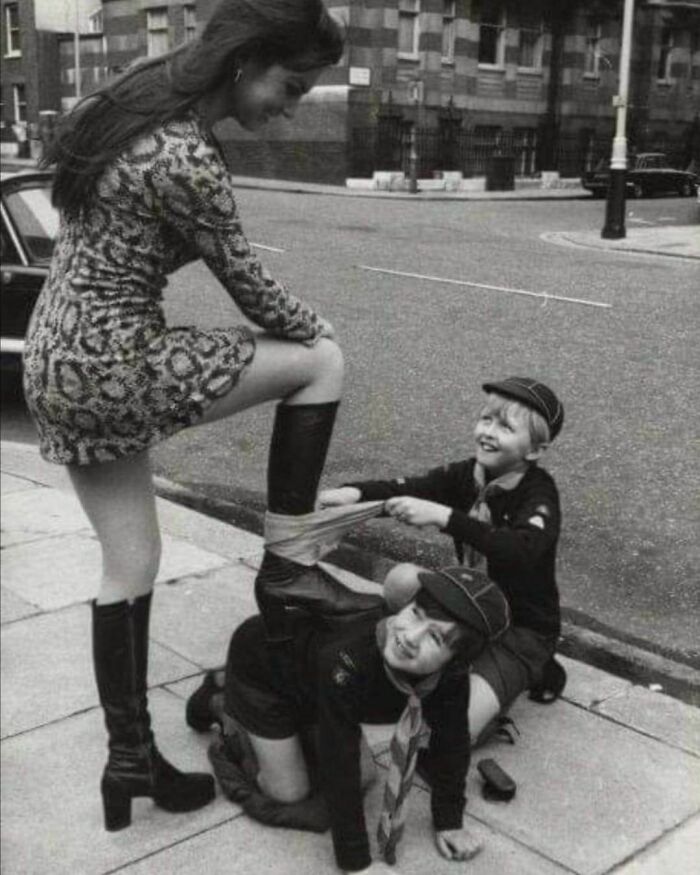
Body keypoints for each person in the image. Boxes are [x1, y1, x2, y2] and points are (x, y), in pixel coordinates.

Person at [22, 0, 378, 833]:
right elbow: (251, 288)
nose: (290, 107)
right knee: (322, 360)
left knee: (131, 560)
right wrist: (316, 323)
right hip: (115, 362)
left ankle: (130, 758)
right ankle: (291, 561)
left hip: (55, 355)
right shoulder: (185, 152)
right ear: (246, 60)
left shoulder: (127, 104)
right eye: (289, 86)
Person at [187, 566, 511, 873]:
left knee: (364, 777)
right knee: (290, 794)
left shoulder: (450, 677)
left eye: (436, 638)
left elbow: (452, 742)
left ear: (456, 661)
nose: (410, 637)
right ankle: (221, 703)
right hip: (264, 673)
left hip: (313, 687)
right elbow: (337, 757)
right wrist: (357, 863)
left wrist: (449, 821)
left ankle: (276, 726)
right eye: (415, 614)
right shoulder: (351, 659)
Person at [319, 376, 566, 746]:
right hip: (467, 604)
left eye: (505, 426)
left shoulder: (539, 495)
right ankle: (456, 656)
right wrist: (354, 493)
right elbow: (409, 487)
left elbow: (520, 549)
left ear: (535, 450)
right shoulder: (469, 474)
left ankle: (536, 666)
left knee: (454, 735)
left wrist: (445, 517)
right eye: (486, 419)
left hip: (520, 628)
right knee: (401, 582)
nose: (488, 432)